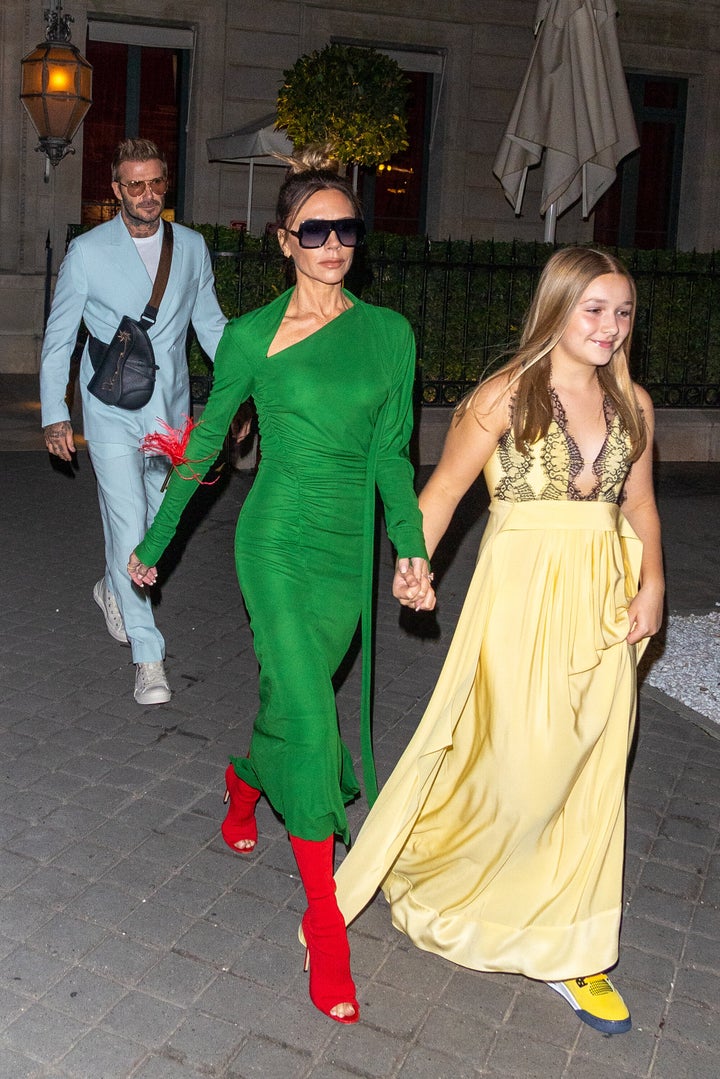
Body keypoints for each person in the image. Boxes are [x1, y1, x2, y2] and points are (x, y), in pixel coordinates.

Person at [127, 147, 435, 1023]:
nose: (334, 242)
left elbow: (390, 454)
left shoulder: (390, 334)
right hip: (273, 541)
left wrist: (409, 548)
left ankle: (244, 775)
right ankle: (325, 917)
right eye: (316, 229)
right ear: (285, 240)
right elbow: (208, 444)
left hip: (346, 554)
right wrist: (152, 542)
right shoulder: (252, 336)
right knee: (310, 707)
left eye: (347, 228)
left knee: (294, 700)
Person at [333, 246, 665, 1036]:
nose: (610, 327)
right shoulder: (505, 396)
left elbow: (642, 506)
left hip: (604, 603)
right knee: (521, 763)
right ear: (556, 307)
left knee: (591, 769)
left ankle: (568, 943)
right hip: (519, 602)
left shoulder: (635, 404)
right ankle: (460, 871)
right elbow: (442, 491)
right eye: (594, 309)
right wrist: (413, 562)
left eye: (622, 313)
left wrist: (654, 584)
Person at [40, 138, 228, 706]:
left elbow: (212, 325)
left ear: (165, 184)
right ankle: (149, 656)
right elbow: (59, 339)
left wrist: (246, 386)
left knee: (153, 518)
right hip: (110, 409)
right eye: (135, 185)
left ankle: (110, 587)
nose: (147, 195)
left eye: (156, 183)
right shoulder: (89, 252)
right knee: (129, 526)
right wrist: (55, 413)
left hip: (169, 412)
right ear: (117, 190)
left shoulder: (191, 248)